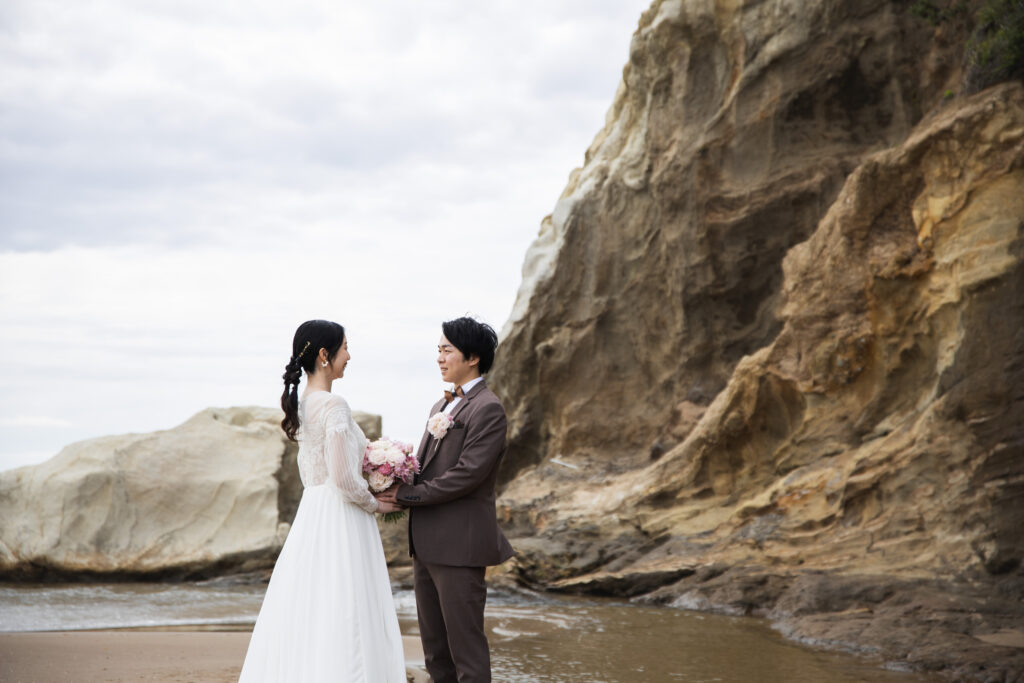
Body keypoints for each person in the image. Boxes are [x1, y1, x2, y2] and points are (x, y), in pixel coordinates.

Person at [239, 319, 406, 683]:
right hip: (342, 515)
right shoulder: (334, 405)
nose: (350, 355)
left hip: (314, 512)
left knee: (313, 603)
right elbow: (344, 478)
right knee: (348, 606)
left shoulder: (304, 403)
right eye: (345, 347)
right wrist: (377, 503)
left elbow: (316, 472)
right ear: (325, 355)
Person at [377, 316, 515, 683]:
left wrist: (408, 494)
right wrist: (391, 474)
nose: (439, 358)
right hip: (426, 545)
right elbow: (427, 468)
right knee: (436, 651)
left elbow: (468, 474)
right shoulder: (440, 406)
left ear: (472, 357)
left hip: (460, 546)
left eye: (447, 350)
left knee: (466, 650)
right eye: (438, 349)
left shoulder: (488, 408)